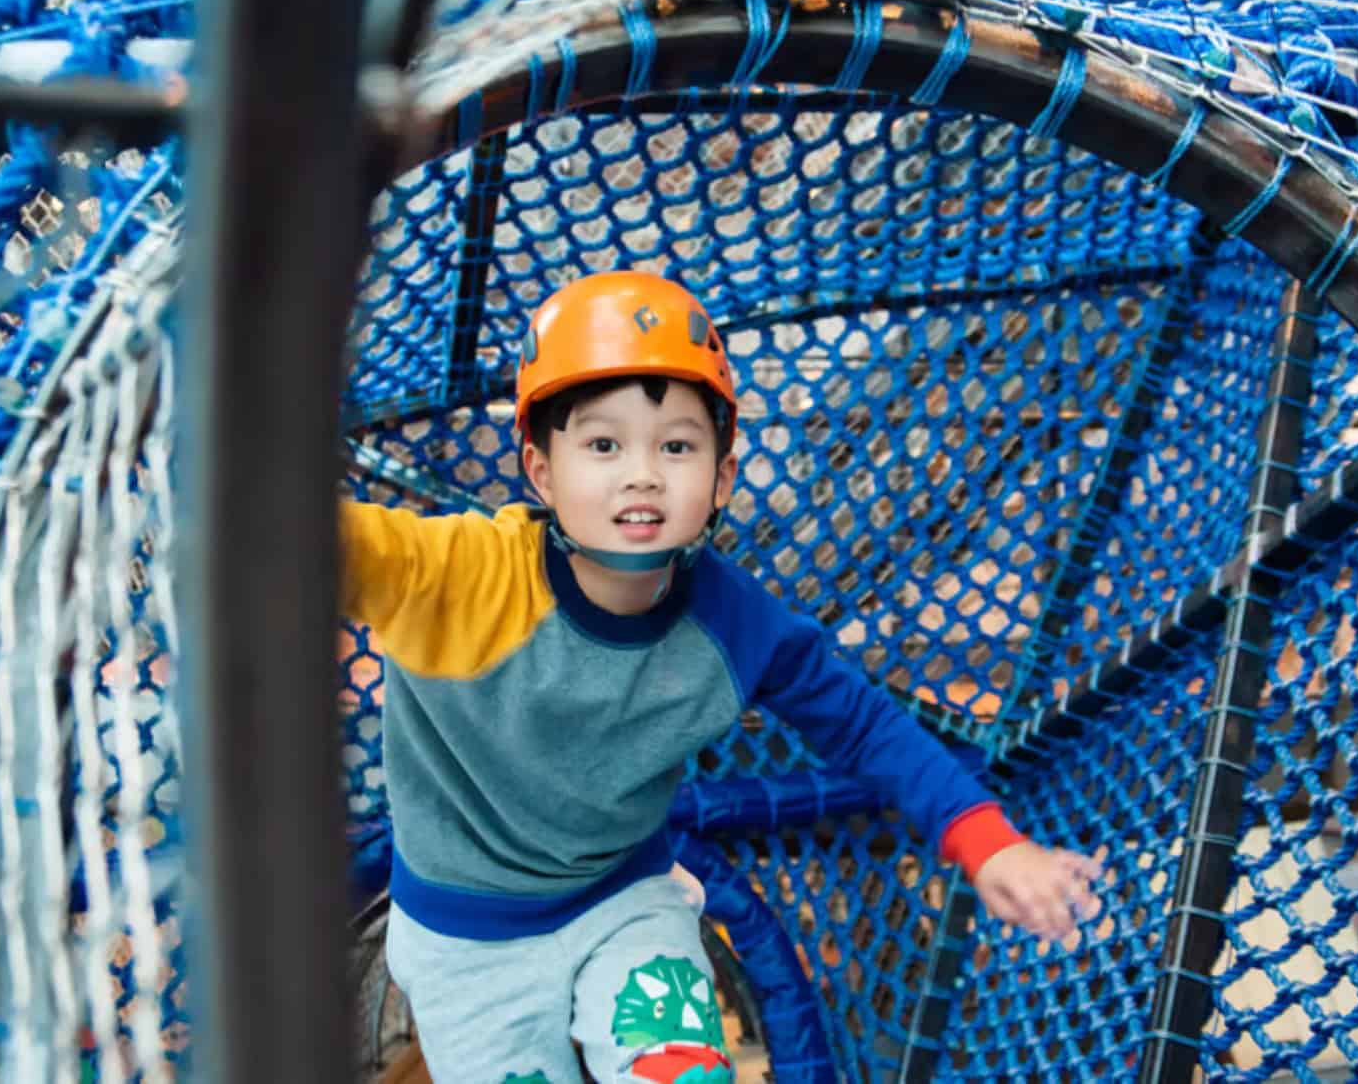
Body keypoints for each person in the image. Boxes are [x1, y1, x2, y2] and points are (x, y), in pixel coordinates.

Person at [339, 271, 1102, 1084]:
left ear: (722, 478)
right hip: (468, 941)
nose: (642, 473)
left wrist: (990, 844)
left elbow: (862, 723)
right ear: (540, 470)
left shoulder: (733, 626)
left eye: (677, 445)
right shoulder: (457, 576)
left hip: (620, 901)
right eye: (603, 444)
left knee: (686, 1072)